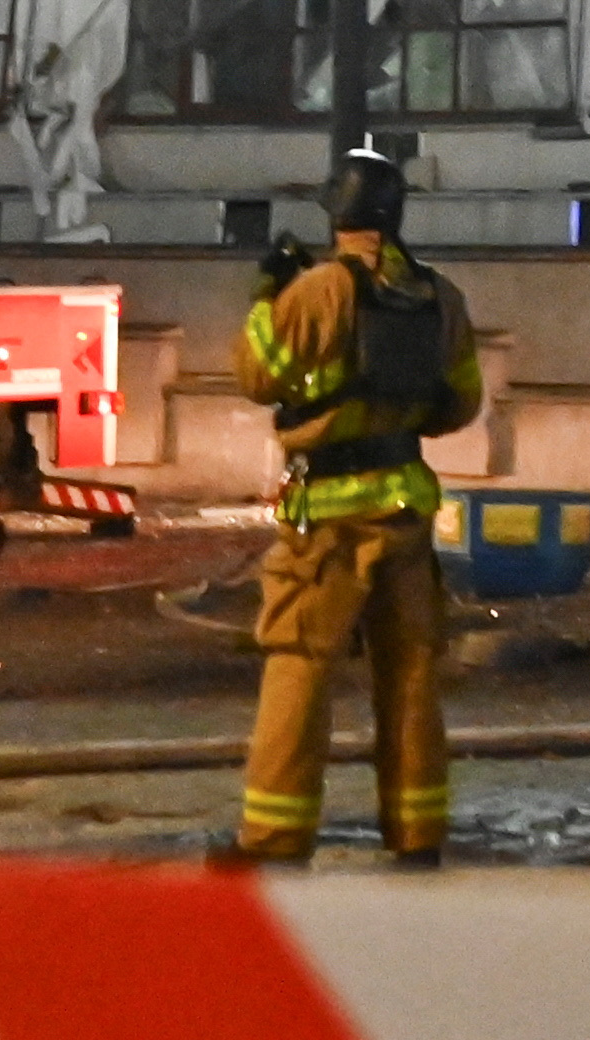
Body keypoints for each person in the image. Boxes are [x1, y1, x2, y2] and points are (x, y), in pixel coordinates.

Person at [222, 150, 485, 868]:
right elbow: (459, 405)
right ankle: (417, 835)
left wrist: (264, 297)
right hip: (405, 508)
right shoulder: (440, 296)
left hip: (328, 523)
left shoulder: (318, 291)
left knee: (299, 668)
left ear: (336, 216)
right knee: (409, 675)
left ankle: (274, 839)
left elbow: (256, 375)